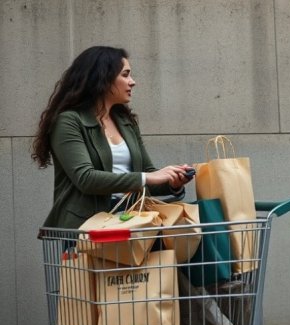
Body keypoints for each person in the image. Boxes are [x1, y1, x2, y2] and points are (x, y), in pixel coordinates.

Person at [32, 46, 193, 230]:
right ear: (103, 78)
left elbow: (147, 173)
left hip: (131, 221)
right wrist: (147, 177)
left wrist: (172, 182)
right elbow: (86, 178)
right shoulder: (68, 121)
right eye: (125, 75)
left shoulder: (125, 121)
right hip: (87, 228)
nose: (132, 82)